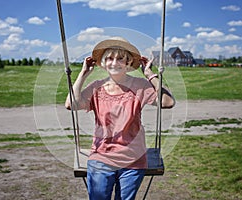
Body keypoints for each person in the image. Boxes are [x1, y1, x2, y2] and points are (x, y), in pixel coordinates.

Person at [65, 37, 175, 200]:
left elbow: (168, 102)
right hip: (101, 157)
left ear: (128, 62)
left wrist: (150, 74)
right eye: (109, 58)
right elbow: (70, 104)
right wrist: (83, 74)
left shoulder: (140, 86)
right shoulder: (96, 87)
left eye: (120, 58)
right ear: (103, 62)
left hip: (133, 159)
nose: (114, 62)